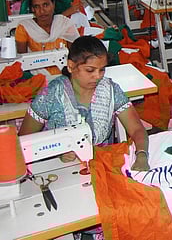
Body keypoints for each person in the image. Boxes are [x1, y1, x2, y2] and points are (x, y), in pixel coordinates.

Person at [18, 35, 150, 171]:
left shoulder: (110, 89)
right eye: (90, 70)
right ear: (70, 66)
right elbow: (23, 141)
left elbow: (136, 129)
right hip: (60, 169)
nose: (98, 76)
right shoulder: (51, 95)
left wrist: (141, 155)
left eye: (102, 69)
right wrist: (57, 152)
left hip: (103, 163)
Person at [15, 0, 79, 74]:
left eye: (46, 5)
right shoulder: (24, 27)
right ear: (32, 9)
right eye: (36, 7)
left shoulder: (64, 24)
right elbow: (22, 60)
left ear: (53, 5)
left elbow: (75, 55)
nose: (42, 11)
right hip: (36, 75)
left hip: (65, 73)